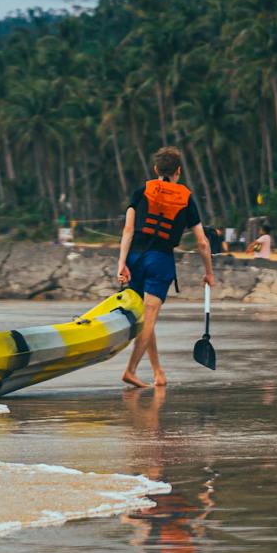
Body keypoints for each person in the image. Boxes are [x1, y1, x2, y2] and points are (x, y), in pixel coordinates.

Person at [115, 146, 216, 389]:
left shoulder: (142, 191)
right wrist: (209, 272)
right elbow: (202, 242)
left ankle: (158, 372)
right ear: (178, 171)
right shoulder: (186, 198)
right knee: (149, 319)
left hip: (135, 258)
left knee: (146, 318)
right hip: (160, 261)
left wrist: (121, 263)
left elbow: (128, 230)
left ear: (156, 169)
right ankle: (130, 370)